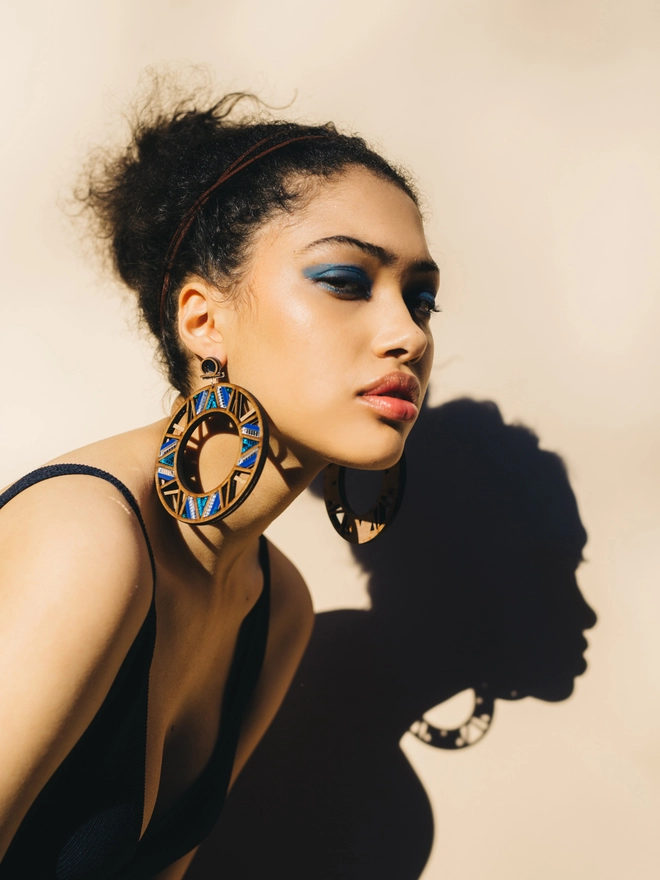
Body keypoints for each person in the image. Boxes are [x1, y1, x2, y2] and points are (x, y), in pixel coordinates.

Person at [0, 87, 439, 879]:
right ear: (204, 321)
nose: (409, 334)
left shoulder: (277, 608)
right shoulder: (89, 538)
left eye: (421, 297)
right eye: (346, 280)